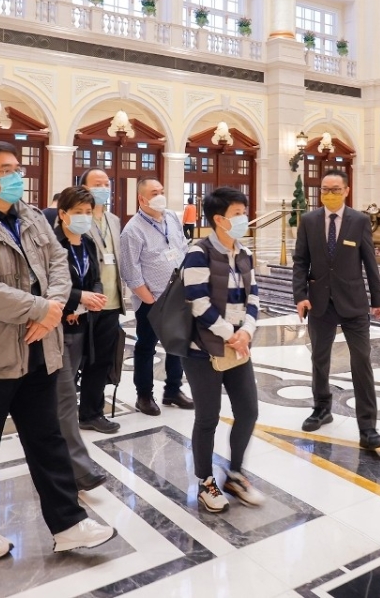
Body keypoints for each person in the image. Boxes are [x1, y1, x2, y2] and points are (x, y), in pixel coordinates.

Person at [0, 141, 115, 561]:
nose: (17, 176)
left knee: (47, 438)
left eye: (17, 168)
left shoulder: (33, 217)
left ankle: (68, 524)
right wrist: (41, 308)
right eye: (7, 170)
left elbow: (58, 264)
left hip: (38, 349)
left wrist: (52, 309)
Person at [180, 186, 265, 513]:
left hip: (237, 344)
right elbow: (198, 302)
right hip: (202, 349)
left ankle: (235, 474)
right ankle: (205, 481)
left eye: (244, 212)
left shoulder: (244, 253)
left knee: (248, 411)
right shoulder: (198, 253)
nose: (244, 219)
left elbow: (254, 296)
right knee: (208, 417)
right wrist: (231, 334)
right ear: (219, 219)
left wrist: (247, 331)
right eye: (237, 214)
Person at [292, 169, 380, 451]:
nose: (330, 194)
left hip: (353, 303)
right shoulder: (309, 221)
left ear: (346, 191)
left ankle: (368, 427)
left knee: (361, 362)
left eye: (335, 189)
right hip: (319, 302)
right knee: (320, 359)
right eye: (325, 189)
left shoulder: (359, 220)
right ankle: (322, 408)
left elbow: (369, 262)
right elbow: (300, 261)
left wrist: (378, 299)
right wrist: (300, 296)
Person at [120, 178, 194, 416]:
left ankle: (173, 390)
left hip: (178, 294)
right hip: (151, 300)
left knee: (177, 344)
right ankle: (144, 395)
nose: (160, 196)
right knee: (146, 347)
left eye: (162, 191)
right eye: (154, 193)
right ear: (142, 199)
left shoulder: (171, 217)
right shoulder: (132, 230)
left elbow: (181, 246)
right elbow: (130, 271)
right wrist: (150, 300)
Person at [54, 186, 111, 491]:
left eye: (88, 212)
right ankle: (80, 469)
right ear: (63, 214)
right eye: (78, 212)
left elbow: (95, 278)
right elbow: (48, 285)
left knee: (60, 397)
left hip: (81, 329)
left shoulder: (87, 242)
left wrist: (94, 297)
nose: (84, 217)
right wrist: (77, 301)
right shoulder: (53, 244)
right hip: (55, 330)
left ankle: (53, 450)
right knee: (65, 398)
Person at [78, 168, 126, 434]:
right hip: (85, 302)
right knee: (81, 361)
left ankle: (91, 412)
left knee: (102, 360)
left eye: (107, 184)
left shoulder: (114, 220)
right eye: (97, 184)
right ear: (84, 187)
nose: (104, 188)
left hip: (111, 301)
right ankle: (78, 411)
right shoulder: (79, 219)